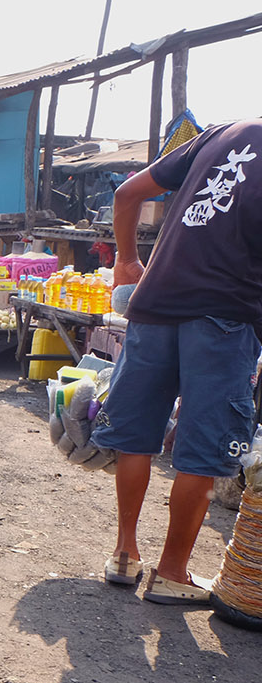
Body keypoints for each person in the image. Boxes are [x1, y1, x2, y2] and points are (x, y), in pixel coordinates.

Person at [91, 118, 262, 604]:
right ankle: (172, 573)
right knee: (201, 449)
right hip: (226, 315)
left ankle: (125, 554)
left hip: (153, 304)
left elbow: (127, 194)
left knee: (137, 436)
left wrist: (127, 259)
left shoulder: (223, 133)